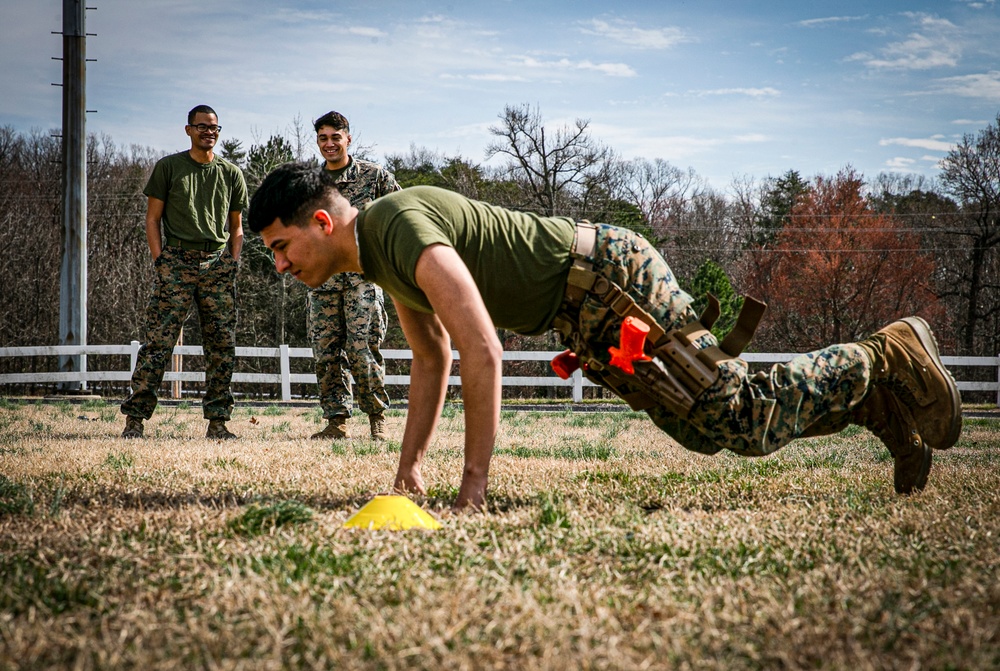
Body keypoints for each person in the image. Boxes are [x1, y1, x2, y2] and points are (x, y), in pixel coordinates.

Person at [246, 162, 962, 510]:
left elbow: (482, 349)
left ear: (321, 222)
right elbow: (431, 358)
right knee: (712, 430)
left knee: (734, 414)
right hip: (583, 309)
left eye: (280, 247)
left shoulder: (398, 225)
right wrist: (408, 471)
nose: (280, 266)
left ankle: (882, 352)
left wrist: (474, 487)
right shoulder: (378, 258)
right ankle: (876, 404)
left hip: (605, 279)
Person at [121, 105, 248, 440]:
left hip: (217, 265)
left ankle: (218, 423)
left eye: (215, 128)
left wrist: (232, 263)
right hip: (176, 262)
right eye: (202, 126)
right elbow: (152, 219)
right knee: (158, 343)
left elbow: (236, 228)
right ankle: (135, 419)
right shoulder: (169, 167)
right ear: (188, 129)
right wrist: (160, 260)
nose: (209, 132)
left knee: (221, 345)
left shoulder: (231, 174)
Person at [306, 111, 400, 441]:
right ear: (317, 141)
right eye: (323, 138)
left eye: (335, 137)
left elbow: (401, 215)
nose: (329, 143)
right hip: (323, 282)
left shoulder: (375, 177)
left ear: (348, 138)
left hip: (362, 277)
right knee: (326, 352)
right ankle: (336, 421)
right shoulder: (309, 183)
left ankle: (377, 419)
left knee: (363, 349)